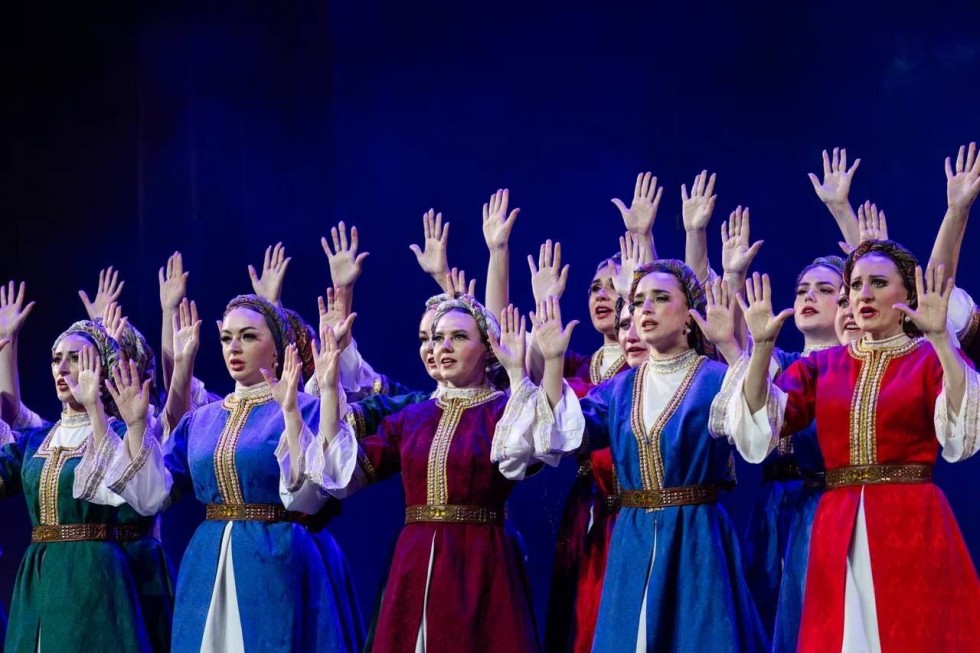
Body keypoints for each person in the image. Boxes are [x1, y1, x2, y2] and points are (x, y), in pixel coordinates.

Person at [722, 242, 980, 652]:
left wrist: (942, 340)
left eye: (878, 283)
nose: (864, 294)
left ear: (907, 295)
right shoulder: (822, 365)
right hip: (836, 521)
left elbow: (962, 434)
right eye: (855, 285)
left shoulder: (927, 359)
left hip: (911, 522)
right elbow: (762, 425)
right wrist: (762, 349)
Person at [308, 294, 583, 652]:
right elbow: (343, 474)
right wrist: (329, 391)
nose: (443, 347)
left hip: (480, 560)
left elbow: (538, 446)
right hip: (414, 558)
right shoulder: (412, 417)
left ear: (488, 349)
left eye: (459, 337)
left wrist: (525, 371)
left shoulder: (502, 412)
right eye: (437, 338)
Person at [105, 294, 364, 653]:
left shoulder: (305, 408)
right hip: (207, 561)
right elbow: (152, 497)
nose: (234, 347)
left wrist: (292, 410)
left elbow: (313, 495)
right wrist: (136, 426)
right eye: (227, 338)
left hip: (274, 558)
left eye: (248, 336)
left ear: (278, 351)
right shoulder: (201, 419)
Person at [577, 260, 767, 652]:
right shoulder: (619, 388)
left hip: (694, 537)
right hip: (632, 539)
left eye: (661, 298)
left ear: (689, 317)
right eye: (638, 301)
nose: (645, 308)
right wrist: (543, 364)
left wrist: (736, 347)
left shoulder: (714, 378)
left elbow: (754, 431)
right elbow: (561, 436)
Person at [0, 296, 170, 653]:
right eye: (56, 359)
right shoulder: (36, 440)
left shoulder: (118, 432)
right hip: (38, 575)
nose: (62, 368)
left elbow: (147, 496)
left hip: (94, 575)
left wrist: (96, 408)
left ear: (101, 369)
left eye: (76, 358)